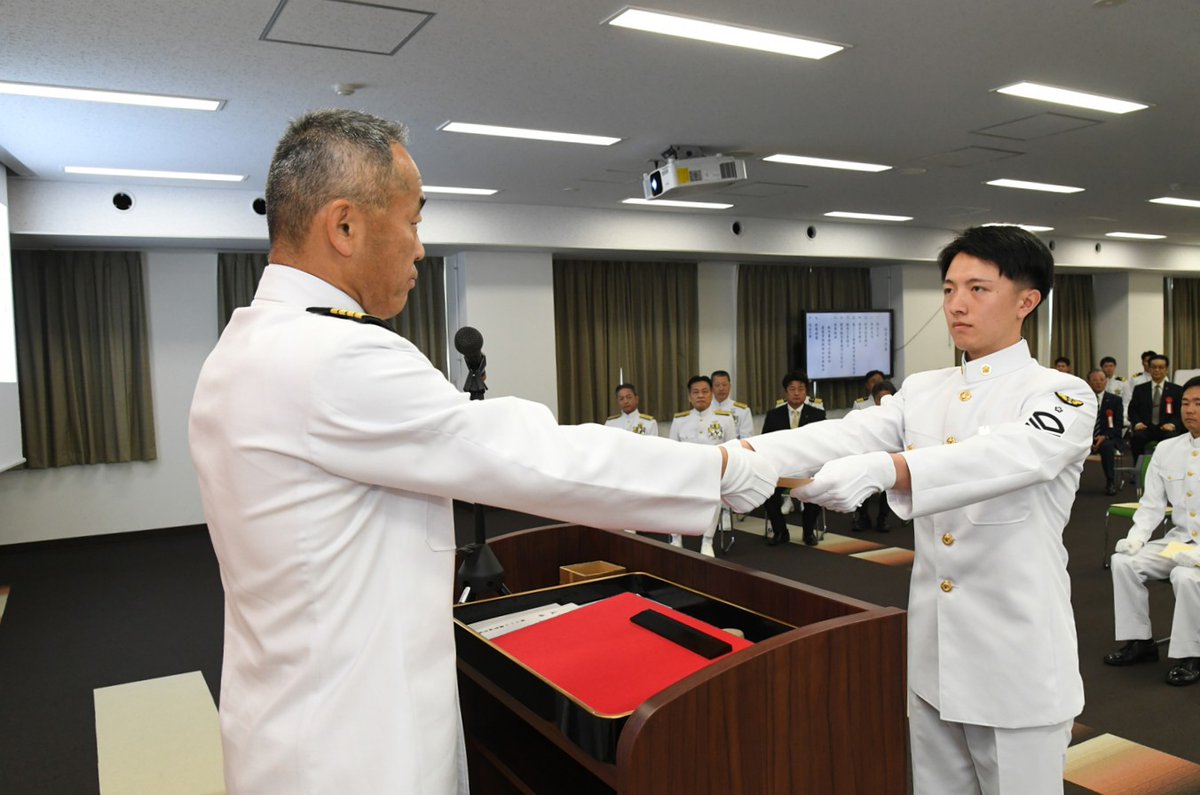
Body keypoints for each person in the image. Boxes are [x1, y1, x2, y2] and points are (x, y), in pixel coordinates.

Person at [187, 109, 777, 794]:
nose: (418, 249)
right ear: (344, 226)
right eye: (411, 221)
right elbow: (529, 455)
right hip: (358, 749)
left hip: (283, 725)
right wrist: (727, 469)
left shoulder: (244, 346)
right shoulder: (336, 355)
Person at [736, 225, 1095, 794]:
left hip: (1016, 658)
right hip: (934, 657)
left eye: (978, 289)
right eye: (950, 288)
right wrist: (739, 457)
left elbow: (1006, 456)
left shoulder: (1059, 394)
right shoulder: (924, 389)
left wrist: (889, 469)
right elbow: (844, 435)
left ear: (1028, 301)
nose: (956, 304)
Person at [1104, 376, 1200, 687]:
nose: (1190, 410)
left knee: (1185, 577)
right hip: (1179, 541)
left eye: (1198, 404)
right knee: (1124, 562)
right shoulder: (1167, 449)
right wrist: (1136, 538)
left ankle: (1193, 654)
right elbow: (1152, 506)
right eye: (1185, 403)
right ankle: (1140, 641)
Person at [669, 375, 740, 555]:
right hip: (685, 472)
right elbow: (672, 450)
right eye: (696, 392)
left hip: (712, 472)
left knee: (714, 497)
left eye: (705, 392)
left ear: (711, 394)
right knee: (674, 497)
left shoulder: (725, 419)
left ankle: (707, 541)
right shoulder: (679, 420)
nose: (700, 396)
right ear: (689, 397)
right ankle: (676, 538)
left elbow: (731, 449)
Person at [760, 371, 825, 546]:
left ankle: (808, 531)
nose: (796, 393)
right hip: (782, 470)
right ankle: (781, 531)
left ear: (806, 392)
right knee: (767, 494)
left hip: (807, 470)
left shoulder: (818, 415)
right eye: (792, 389)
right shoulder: (774, 415)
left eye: (801, 389)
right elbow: (765, 443)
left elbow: (823, 445)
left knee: (817, 491)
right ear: (786, 392)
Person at [852, 379, 900, 531]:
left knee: (889, 486)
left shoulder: (900, 413)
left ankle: (883, 518)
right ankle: (862, 517)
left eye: (888, 397)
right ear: (875, 399)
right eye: (880, 398)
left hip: (891, 457)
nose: (884, 402)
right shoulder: (866, 413)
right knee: (862, 483)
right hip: (868, 456)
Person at [1128, 353, 1184, 459]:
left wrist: (1172, 424)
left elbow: (1180, 411)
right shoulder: (1140, 389)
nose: (1157, 370)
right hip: (1146, 427)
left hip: (1167, 427)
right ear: (1149, 369)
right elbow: (1133, 410)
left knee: (1173, 438)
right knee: (1137, 437)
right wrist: (1137, 423)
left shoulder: (1176, 390)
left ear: (1166, 369)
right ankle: (1139, 470)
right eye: (1154, 367)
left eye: (1161, 367)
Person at [1087, 368, 1125, 495]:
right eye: (1095, 380)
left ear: (1106, 382)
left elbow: (1118, 424)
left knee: (1107, 447)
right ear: (1088, 382)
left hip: (1108, 437)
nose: (1098, 383)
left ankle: (1110, 482)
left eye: (1102, 380)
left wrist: (1104, 436)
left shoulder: (1115, 400)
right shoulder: (1083, 400)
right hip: (1086, 437)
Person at [710, 369, 752, 438]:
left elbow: (746, 438)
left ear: (730, 386)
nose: (721, 388)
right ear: (711, 388)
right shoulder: (705, 409)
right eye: (717, 385)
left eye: (724, 385)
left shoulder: (742, 411)